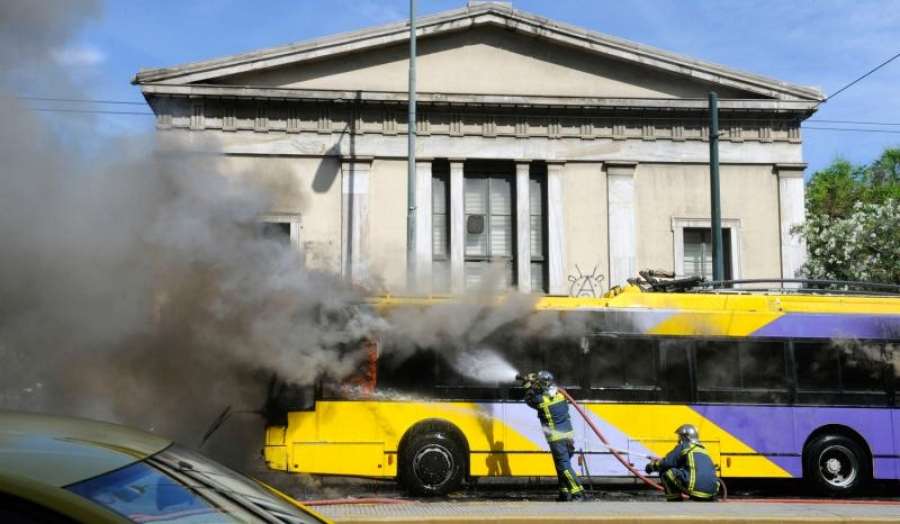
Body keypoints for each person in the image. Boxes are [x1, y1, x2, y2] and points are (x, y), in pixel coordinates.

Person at [521, 370, 586, 502]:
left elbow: (528, 399)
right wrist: (537, 384)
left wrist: (528, 385)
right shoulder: (561, 395)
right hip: (568, 438)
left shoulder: (541, 401)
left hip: (557, 440)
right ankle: (564, 494)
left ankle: (579, 494)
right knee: (561, 466)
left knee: (564, 467)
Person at [645, 423, 719, 502]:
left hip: (695, 488)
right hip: (712, 491)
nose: (679, 439)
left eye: (680, 436)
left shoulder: (684, 446)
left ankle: (674, 502)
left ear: (686, 436)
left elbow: (668, 463)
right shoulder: (704, 451)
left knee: (666, 471)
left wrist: (651, 466)